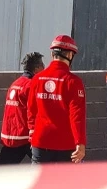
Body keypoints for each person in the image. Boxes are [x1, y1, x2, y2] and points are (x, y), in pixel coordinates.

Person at [27, 35, 87, 164]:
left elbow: (31, 111)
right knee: (64, 184)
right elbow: (77, 116)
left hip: (40, 141)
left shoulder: (37, 78)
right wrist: (80, 143)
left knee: (40, 183)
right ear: (70, 55)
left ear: (52, 53)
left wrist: (32, 135)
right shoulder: (73, 82)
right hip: (66, 144)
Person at [0, 52, 45, 165]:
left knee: (2, 172)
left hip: (11, 136)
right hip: (24, 137)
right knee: (45, 167)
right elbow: (37, 111)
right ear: (37, 68)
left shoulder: (15, 83)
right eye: (43, 66)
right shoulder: (31, 85)